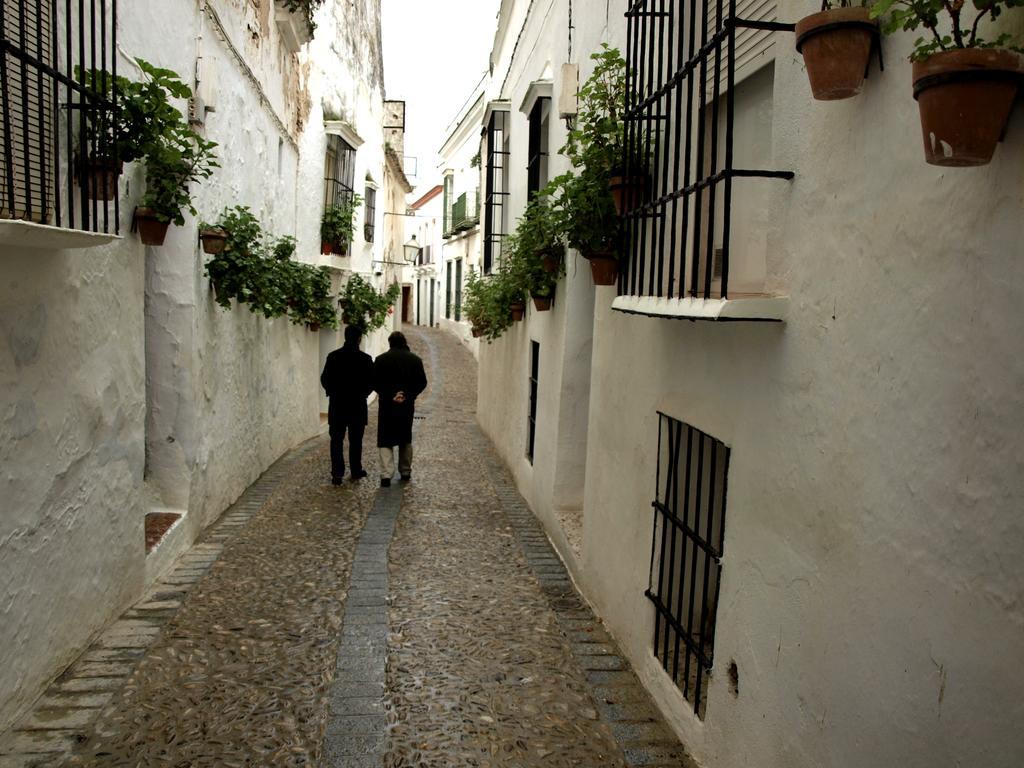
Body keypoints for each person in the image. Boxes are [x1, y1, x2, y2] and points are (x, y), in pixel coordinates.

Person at [372, 331, 427, 487]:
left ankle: (385, 474)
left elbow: (374, 382)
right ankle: (405, 471)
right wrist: (407, 395)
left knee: (385, 438)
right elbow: (422, 382)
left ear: (390, 343)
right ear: (404, 342)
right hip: (406, 406)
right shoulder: (415, 360)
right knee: (405, 437)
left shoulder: (381, 360)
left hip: (387, 405)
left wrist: (390, 395)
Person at [321, 325, 374, 485]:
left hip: (337, 404)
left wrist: (332, 391)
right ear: (359, 338)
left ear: (345, 336)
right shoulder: (365, 359)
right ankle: (356, 470)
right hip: (357, 405)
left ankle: (337, 473)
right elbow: (372, 382)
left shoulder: (333, 357)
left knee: (336, 440)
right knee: (356, 440)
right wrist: (363, 394)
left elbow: (325, 379)